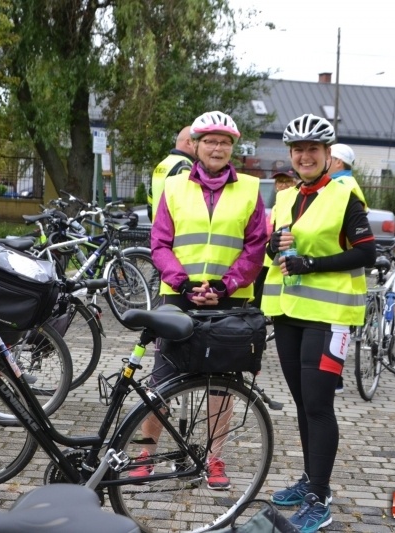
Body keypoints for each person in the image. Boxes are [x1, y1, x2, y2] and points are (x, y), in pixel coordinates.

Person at [130, 110, 267, 489]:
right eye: (210, 141)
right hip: (179, 295)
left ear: (232, 148)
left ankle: (214, 458)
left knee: (221, 386)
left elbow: (256, 247)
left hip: (229, 298)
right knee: (162, 378)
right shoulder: (174, 187)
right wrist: (185, 284)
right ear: (196, 145)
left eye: (224, 142)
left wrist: (223, 286)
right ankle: (145, 453)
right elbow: (159, 243)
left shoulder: (251, 189)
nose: (217, 148)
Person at [261, 114, 376, 533]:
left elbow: (366, 252)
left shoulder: (345, 194)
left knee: (318, 405)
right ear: (291, 155)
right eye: (298, 150)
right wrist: (275, 246)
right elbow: (278, 247)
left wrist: (311, 263)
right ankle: (311, 480)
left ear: (328, 154)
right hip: (290, 312)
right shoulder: (287, 197)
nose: (305, 156)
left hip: (329, 317)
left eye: (313, 149)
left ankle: (320, 498)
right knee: (302, 403)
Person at [328, 143, 367, 394]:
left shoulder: (342, 188)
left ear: (338, 162)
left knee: (334, 330)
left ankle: (335, 381)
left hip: (338, 274)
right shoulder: (347, 184)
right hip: (338, 273)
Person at [252, 167, 298, 309]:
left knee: (260, 302)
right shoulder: (278, 204)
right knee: (254, 301)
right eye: (279, 182)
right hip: (267, 259)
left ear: (296, 182)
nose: (282, 185)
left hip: (282, 259)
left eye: (287, 181)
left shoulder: (296, 201)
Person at [147, 126, 195, 222]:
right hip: (173, 229)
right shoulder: (184, 166)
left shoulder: (163, 164)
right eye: (197, 142)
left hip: (159, 227)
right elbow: (184, 205)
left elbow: (150, 199)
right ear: (188, 142)